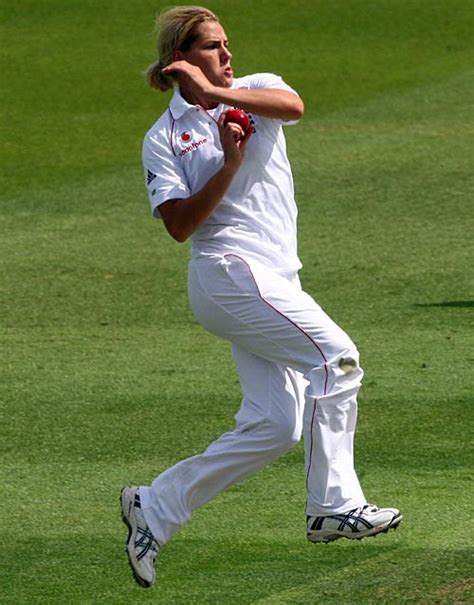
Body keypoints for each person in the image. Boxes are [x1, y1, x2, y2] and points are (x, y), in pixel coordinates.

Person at [120, 5, 402, 589]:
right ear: (181, 57)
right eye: (211, 48)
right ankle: (333, 505)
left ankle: (157, 505)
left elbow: (294, 107)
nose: (227, 56)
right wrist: (228, 164)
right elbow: (178, 226)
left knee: (277, 425)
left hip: (273, 281)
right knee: (337, 359)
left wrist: (225, 98)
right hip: (227, 272)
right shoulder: (164, 136)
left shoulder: (256, 90)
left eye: (227, 44)